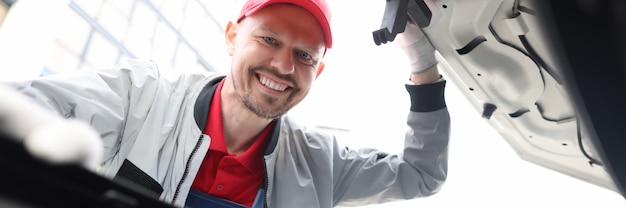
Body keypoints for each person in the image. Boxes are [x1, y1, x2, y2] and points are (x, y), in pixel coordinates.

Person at [4, 0, 450, 207]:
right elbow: (28, 107)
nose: (282, 65)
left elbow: (421, 176)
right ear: (232, 36)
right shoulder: (142, 96)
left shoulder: (323, 164)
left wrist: (422, 65)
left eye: (304, 55)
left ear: (319, 71)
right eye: (269, 39)